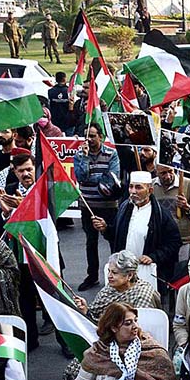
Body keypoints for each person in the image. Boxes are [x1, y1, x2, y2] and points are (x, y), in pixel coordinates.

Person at [92, 170, 181, 290]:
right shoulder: (124, 208)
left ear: (150, 190)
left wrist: (154, 257)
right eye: (131, 187)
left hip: (146, 273)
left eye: (138, 187)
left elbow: (174, 242)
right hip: (123, 272)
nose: (133, 191)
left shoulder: (160, 215)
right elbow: (117, 236)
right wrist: (105, 229)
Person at [73, 122, 121, 291]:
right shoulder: (80, 155)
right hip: (88, 205)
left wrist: (93, 178)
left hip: (108, 206)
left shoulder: (111, 154)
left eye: (93, 136)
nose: (90, 140)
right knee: (90, 242)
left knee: (112, 240)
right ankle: (92, 276)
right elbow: (80, 177)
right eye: (87, 136)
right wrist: (86, 159)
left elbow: (111, 179)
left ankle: (117, 275)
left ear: (100, 136)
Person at [73, 250, 161, 320]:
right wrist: (86, 310)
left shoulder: (143, 294)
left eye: (114, 273)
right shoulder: (109, 289)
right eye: (109, 271)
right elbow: (94, 315)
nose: (109, 276)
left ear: (129, 275)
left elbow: (139, 325)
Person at [151, 163, 190, 260]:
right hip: (160, 244)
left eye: (170, 171)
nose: (168, 176)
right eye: (163, 173)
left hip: (184, 242)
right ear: (156, 172)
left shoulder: (188, 184)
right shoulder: (151, 187)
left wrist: (187, 208)